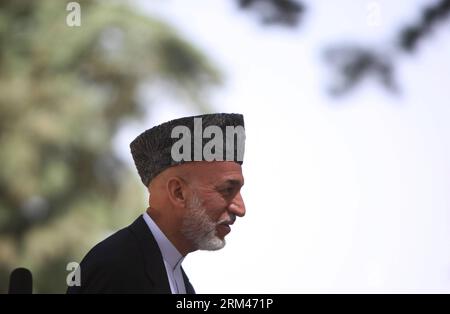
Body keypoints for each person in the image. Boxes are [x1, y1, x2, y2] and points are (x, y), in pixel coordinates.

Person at [67, 113, 246, 294]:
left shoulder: (176, 278)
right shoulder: (117, 268)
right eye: (227, 190)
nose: (240, 209)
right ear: (178, 193)